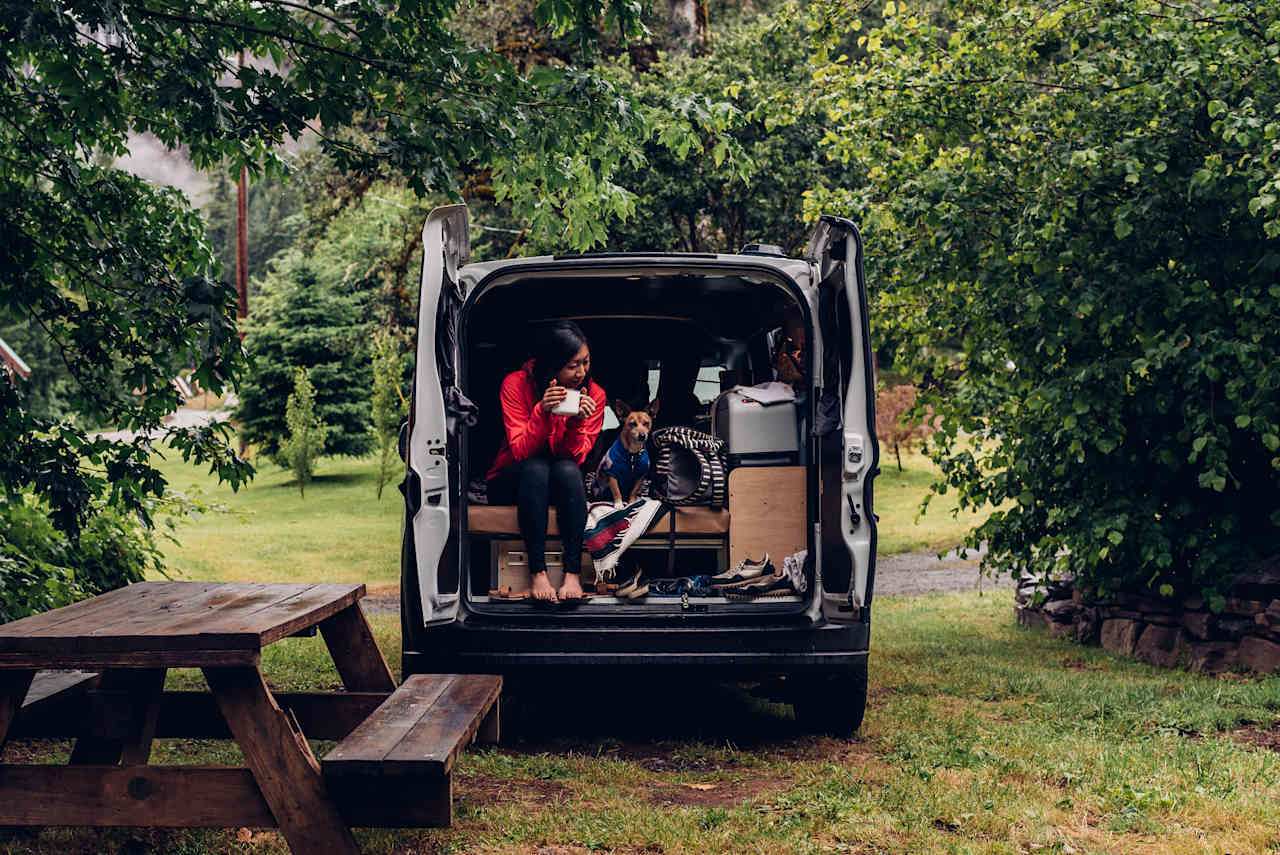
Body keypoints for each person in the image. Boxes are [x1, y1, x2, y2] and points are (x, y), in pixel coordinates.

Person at [486, 321, 606, 602]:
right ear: (552, 365)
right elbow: (520, 451)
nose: (581, 373)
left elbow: (576, 458)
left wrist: (578, 422)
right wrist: (542, 411)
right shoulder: (515, 384)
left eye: (585, 363)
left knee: (566, 469)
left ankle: (573, 574)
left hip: (562, 482)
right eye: (572, 365)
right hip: (513, 478)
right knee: (536, 467)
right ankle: (537, 573)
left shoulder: (594, 395)